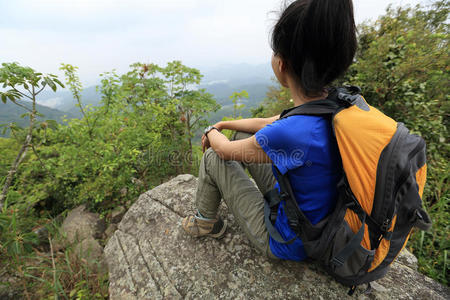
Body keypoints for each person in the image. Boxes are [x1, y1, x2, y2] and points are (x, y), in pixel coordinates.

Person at [182, 0, 357, 261]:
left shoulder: (292, 133)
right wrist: (223, 124)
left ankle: (205, 222)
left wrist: (209, 131)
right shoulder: (334, 103)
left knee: (212, 158)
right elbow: (269, 123)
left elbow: (225, 150)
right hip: (318, 218)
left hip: (288, 241)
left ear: (282, 64)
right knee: (243, 136)